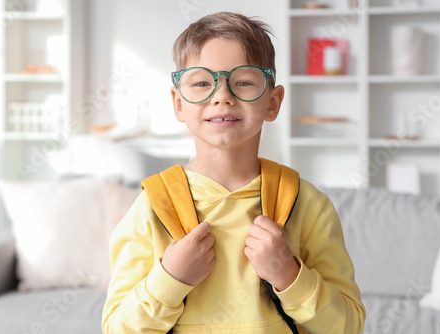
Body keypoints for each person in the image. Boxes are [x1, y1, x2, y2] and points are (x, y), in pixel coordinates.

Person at [102, 11, 365, 334]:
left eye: (243, 82)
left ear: (273, 101)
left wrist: (288, 275)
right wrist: (170, 279)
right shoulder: (152, 208)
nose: (222, 96)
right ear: (178, 103)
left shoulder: (307, 205)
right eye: (201, 83)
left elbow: (347, 327)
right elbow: (117, 329)